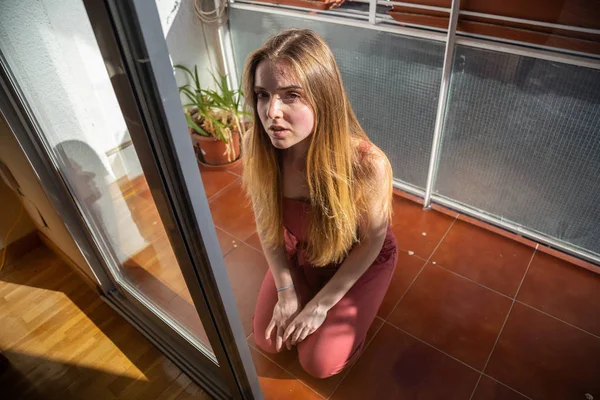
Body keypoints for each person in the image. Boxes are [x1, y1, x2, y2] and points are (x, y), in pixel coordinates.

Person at [242, 29, 398, 379]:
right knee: (269, 341)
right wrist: (286, 291)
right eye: (262, 95)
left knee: (318, 364)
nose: (271, 112)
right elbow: (268, 227)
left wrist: (321, 305)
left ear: (323, 96)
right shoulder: (256, 145)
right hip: (302, 251)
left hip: (358, 258)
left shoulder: (367, 164)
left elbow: (372, 240)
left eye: (291, 95)